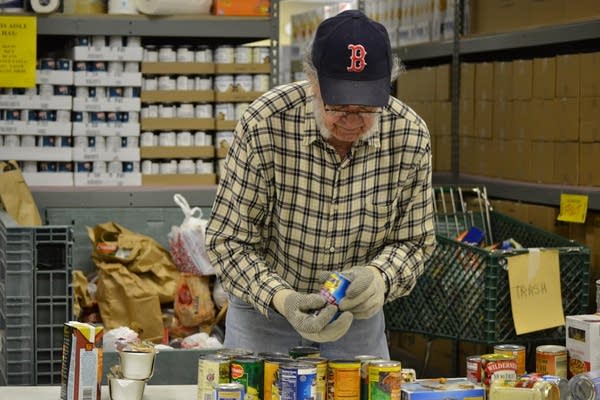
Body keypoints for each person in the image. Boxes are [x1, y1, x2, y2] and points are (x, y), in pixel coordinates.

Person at [205, 9, 436, 359]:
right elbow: (228, 241)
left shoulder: (409, 136)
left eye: (368, 109)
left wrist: (379, 278)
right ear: (312, 82)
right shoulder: (265, 124)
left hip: (355, 322)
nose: (352, 121)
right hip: (265, 315)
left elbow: (415, 241)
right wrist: (282, 298)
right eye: (340, 106)